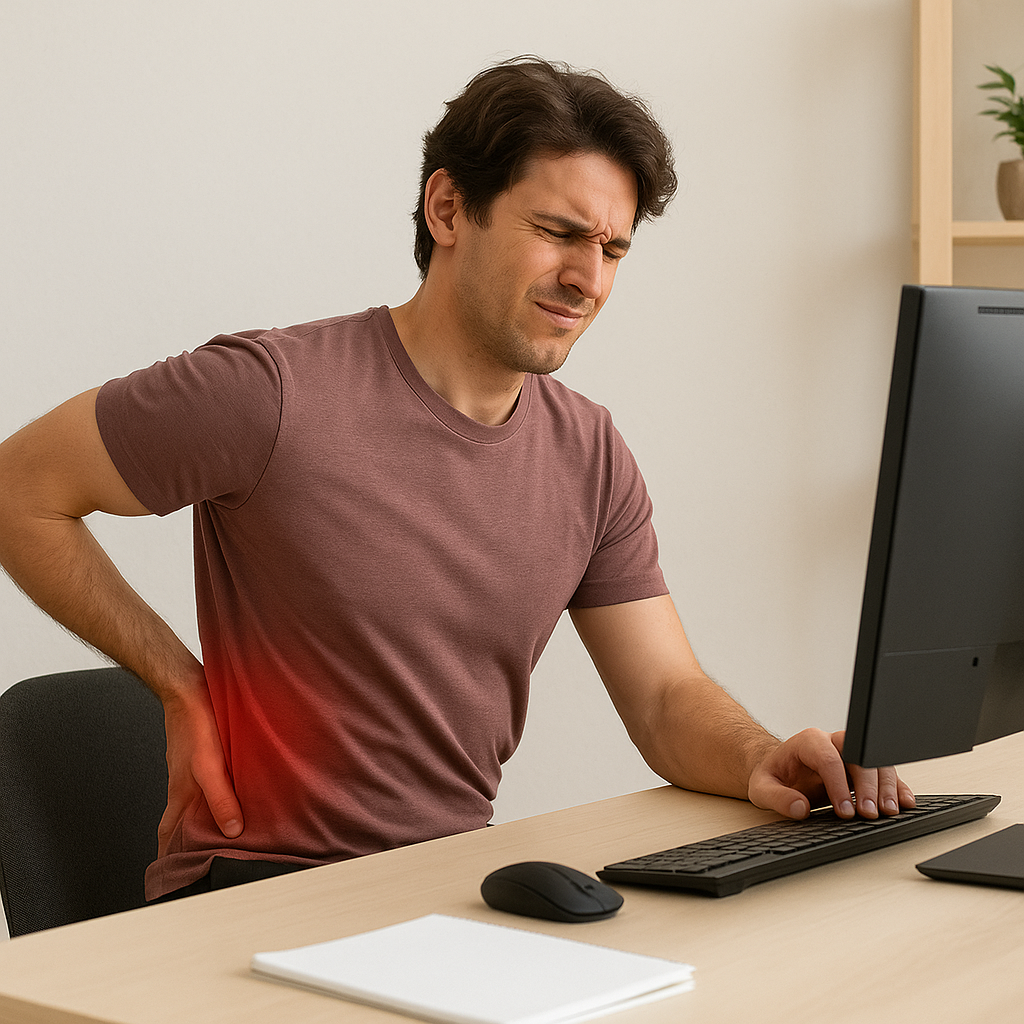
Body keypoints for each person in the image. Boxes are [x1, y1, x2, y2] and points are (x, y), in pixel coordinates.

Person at [0, 58, 913, 902]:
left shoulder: (590, 454)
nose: (587, 278)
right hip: (256, 888)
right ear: (447, 210)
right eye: (558, 232)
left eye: (614, 248)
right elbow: (19, 489)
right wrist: (178, 684)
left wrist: (761, 758)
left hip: (444, 890)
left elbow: (665, 696)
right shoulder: (268, 393)